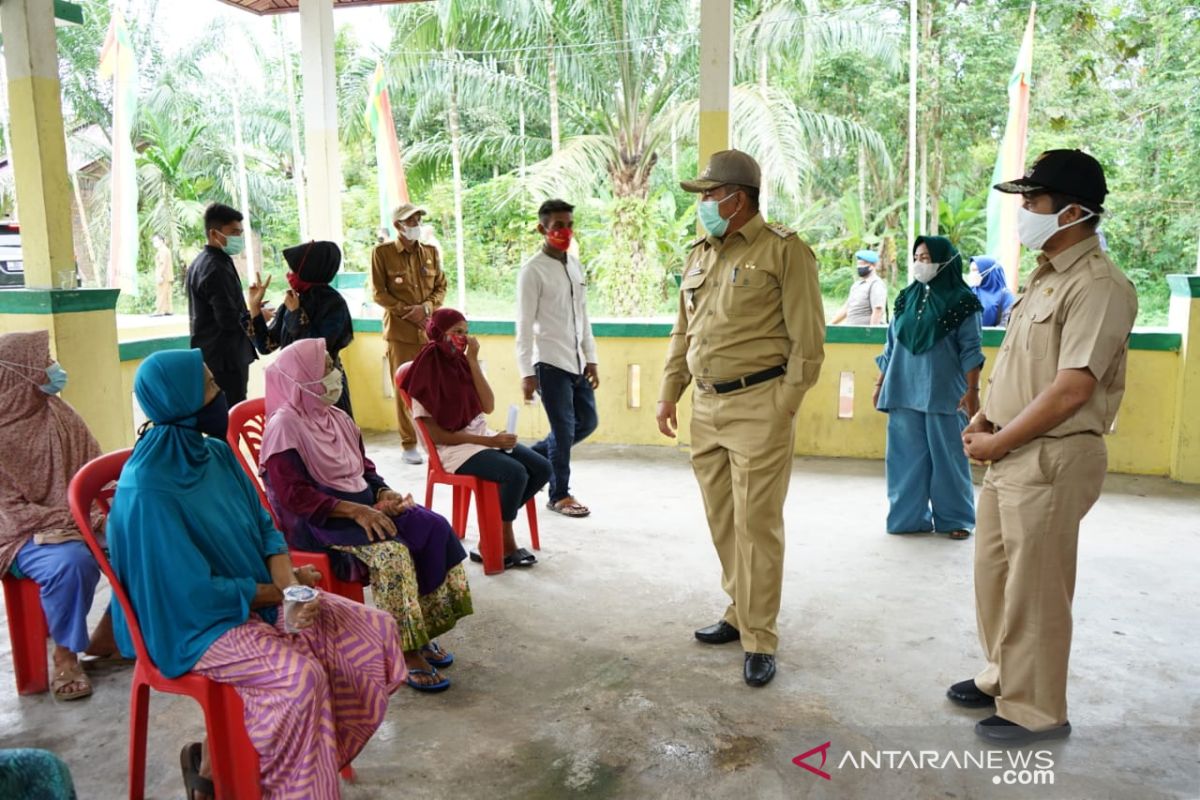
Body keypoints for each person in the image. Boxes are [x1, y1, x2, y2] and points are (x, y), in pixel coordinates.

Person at [107, 349, 405, 799]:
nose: (218, 392)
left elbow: (265, 527)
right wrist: (278, 595)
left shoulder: (213, 452)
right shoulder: (147, 489)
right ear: (179, 401)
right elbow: (191, 596)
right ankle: (284, 785)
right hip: (194, 625)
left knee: (370, 630)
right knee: (299, 679)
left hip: (254, 597)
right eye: (208, 386)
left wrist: (289, 587)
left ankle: (251, 762)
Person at [952, 149, 1137, 745]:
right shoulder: (1043, 277)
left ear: (1074, 211)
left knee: (1036, 586)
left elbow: (1071, 389)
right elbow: (1020, 367)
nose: (1023, 212)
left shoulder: (1100, 285)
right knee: (996, 576)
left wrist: (999, 439)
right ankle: (1003, 674)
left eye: (1033, 201)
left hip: (1052, 456)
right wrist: (984, 418)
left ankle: (1036, 710)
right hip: (1010, 450)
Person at [656, 150, 825, 688]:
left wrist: (786, 404)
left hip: (760, 405)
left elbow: (808, 337)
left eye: (708, 195)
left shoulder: (784, 251)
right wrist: (669, 394)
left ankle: (760, 637)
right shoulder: (700, 253)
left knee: (757, 525)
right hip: (705, 406)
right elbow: (682, 331)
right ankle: (738, 611)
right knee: (723, 520)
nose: (702, 204)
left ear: (738, 197)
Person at [261, 338, 473, 692]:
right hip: (320, 522)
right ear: (303, 377)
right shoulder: (284, 425)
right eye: (326, 366)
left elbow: (365, 469)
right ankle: (402, 651)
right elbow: (293, 496)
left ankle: (421, 630)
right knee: (392, 555)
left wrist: (382, 492)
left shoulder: (338, 417)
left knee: (432, 527)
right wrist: (354, 510)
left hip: (361, 507)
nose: (335, 372)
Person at [0, 330, 124, 702]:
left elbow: (94, 470)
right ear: (19, 376)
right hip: (21, 534)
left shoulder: (58, 413)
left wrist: (111, 508)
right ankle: (66, 655)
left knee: (139, 540)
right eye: (44, 361)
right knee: (71, 563)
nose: (54, 368)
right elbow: (8, 511)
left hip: (75, 517)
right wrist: (66, 521)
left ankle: (110, 632)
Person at [401, 309, 551, 569]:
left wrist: (472, 362)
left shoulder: (461, 363)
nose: (463, 338)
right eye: (456, 332)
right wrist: (490, 444)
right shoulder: (425, 370)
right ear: (439, 333)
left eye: (466, 332)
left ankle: (490, 537)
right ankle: (505, 540)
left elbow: (489, 406)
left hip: (481, 436)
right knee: (516, 473)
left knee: (542, 468)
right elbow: (437, 435)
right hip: (452, 449)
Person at [872, 236, 984, 540]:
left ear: (946, 261)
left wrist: (972, 392)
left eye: (927, 258)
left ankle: (956, 519)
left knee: (949, 458)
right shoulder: (906, 297)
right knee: (904, 459)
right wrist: (880, 382)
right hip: (902, 388)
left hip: (945, 392)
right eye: (918, 258)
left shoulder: (964, 301)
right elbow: (892, 343)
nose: (921, 264)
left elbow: (971, 348)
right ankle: (908, 518)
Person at [515, 199, 599, 518]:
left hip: (577, 361)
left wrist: (591, 358)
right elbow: (523, 324)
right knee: (562, 430)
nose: (565, 231)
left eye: (569, 225)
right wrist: (526, 372)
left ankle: (528, 457)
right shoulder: (532, 271)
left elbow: (583, 317)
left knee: (587, 422)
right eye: (557, 226)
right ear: (542, 229)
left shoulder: (574, 264)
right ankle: (558, 494)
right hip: (548, 363)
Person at [371, 202, 447, 465]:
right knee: (404, 387)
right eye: (411, 221)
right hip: (400, 333)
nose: (416, 225)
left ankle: (433, 439)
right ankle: (409, 443)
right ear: (398, 226)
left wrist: (426, 307)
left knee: (431, 388)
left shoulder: (430, 252)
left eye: (418, 220)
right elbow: (379, 292)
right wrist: (407, 311)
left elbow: (441, 287)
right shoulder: (382, 253)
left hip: (428, 332)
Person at [252, 240, 355, 417]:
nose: (289, 274)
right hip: (291, 390)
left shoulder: (333, 304)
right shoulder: (294, 299)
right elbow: (267, 345)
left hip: (325, 392)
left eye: (293, 269)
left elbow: (318, 351)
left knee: (332, 441)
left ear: (309, 269)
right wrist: (254, 309)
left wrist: (295, 314)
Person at [186, 203, 269, 405]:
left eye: (240, 233)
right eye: (233, 232)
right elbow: (227, 320)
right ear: (214, 233)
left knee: (219, 414)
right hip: (225, 359)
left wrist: (253, 306)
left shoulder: (204, 262)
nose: (238, 238)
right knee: (230, 415)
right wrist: (257, 315)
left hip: (212, 356)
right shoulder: (215, 268)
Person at [830, 249, 887, 325]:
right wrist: (829, 325)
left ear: (872, 266)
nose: (859, 267)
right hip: (853, 332)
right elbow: (846, 308)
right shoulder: (857, 285)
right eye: (858, 264)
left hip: (865, 333)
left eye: (862, 264)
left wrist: (872, 333)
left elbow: (878, 310)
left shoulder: (876, 284)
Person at [967, 256, 1016, 327]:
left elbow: (1007, 324)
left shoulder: (1005, 296)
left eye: (975, 270)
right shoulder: (970, 291)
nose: (972, 274)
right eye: (971, 270)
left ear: (988, 271)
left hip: (993, 337)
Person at [153, 235, 174, 316]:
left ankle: (159, 311)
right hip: (167, 275)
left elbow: (162, 264)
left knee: (161, 293)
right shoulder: (166, 250)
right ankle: (168, 310)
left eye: (156, 241)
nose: (154, 243)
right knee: (167, 293)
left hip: (164, 276)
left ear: (161, 241)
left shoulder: (163, 251)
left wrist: (159, 275)